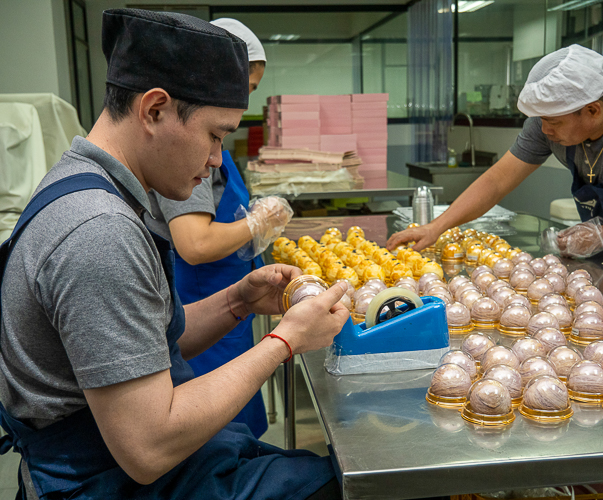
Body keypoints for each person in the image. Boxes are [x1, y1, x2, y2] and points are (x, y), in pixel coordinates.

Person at [0, 9, 347, 500]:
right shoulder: (99, 232)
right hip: (111, 481)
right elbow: (147, 449)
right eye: (214, 136)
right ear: (154, 110)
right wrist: (286, 341)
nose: (213, 161)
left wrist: (238, 303)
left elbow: (135, 355)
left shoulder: (90, 188)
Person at [144, 18, 289, 439]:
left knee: (240, 435)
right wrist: (257, 222)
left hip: (229, 308)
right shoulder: (184, 156)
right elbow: (195, 242)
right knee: (217, 436)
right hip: (200, 313)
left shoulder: (209, 150)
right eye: (242, 84)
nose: (243, 100)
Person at [387, 44, 603, 258]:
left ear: (592, 110)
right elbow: (497, 181)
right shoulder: (549, 124)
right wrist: (435, 227)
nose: (544, 131)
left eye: (553, 123)